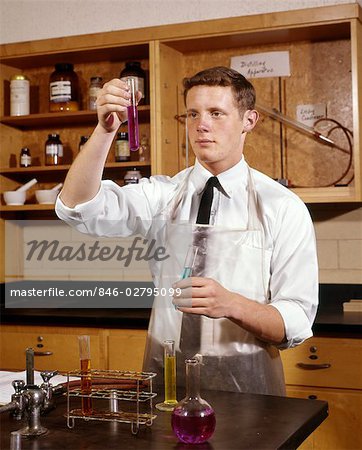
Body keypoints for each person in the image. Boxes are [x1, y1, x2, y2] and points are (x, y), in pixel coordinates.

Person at [56, 66, 318, 396]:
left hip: (250, 390)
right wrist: (105, 130)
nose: (201, 125)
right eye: (193, 113)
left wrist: (232, 304)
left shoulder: (283, 207)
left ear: (249, 121)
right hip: (164, 381)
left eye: (216, 113)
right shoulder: (162, 195)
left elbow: (295, 320)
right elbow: (79, 208)